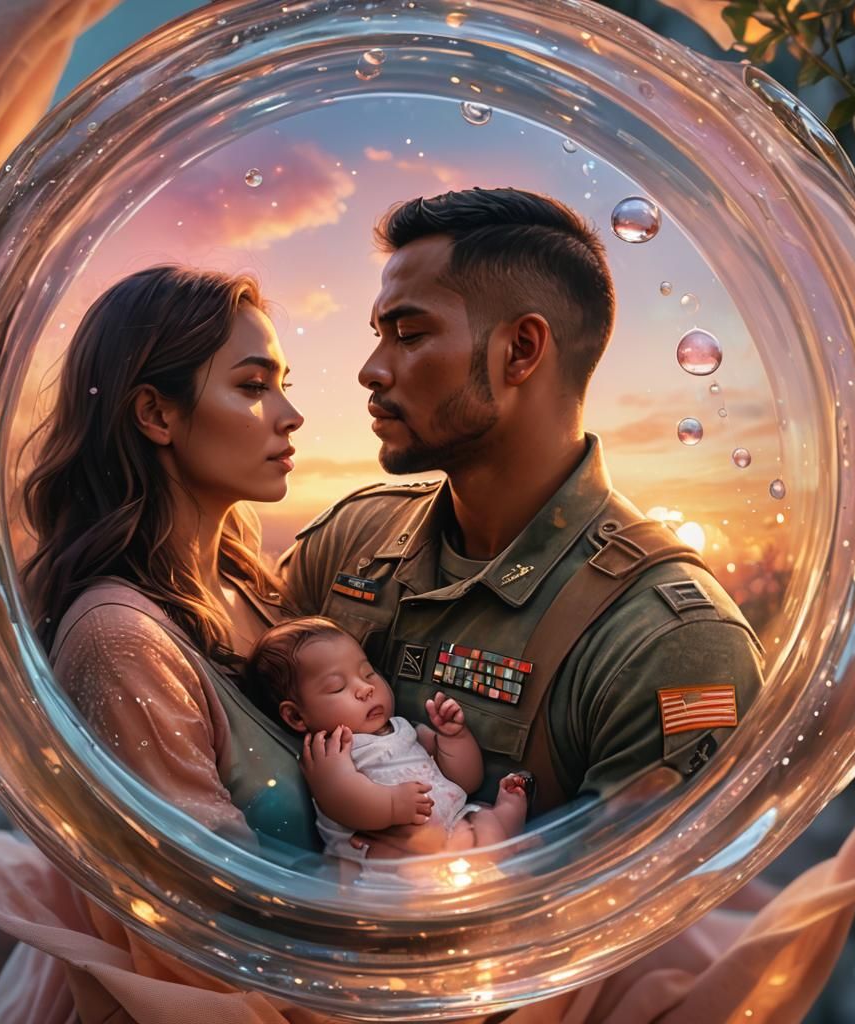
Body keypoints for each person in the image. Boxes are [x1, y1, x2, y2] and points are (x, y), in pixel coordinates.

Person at [278, 187, 765, 823]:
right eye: (379, 335)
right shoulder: (352, 537)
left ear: (522, 350)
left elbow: (631, 907)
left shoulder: (668, 641)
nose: (372, 369)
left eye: (410, 333)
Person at [0, 264, 346, 1023]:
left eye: (281, 383)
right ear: (156, 414)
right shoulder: (120, 640)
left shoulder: (252, 591)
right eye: (254, 386)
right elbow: (206, 940)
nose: (289, 414)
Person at [246, 616, 532, 868]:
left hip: (454, 822)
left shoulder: (403, 728)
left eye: (368, 673)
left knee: (483, 818)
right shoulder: (331, 752)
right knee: (402, 869)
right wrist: (393, 805)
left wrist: (454, 737)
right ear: (296, 716)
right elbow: (343, 799)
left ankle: (505, 822)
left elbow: (465, 780)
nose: (366, 688)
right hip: (390, 853)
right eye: (338, 687)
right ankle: (498, 854)